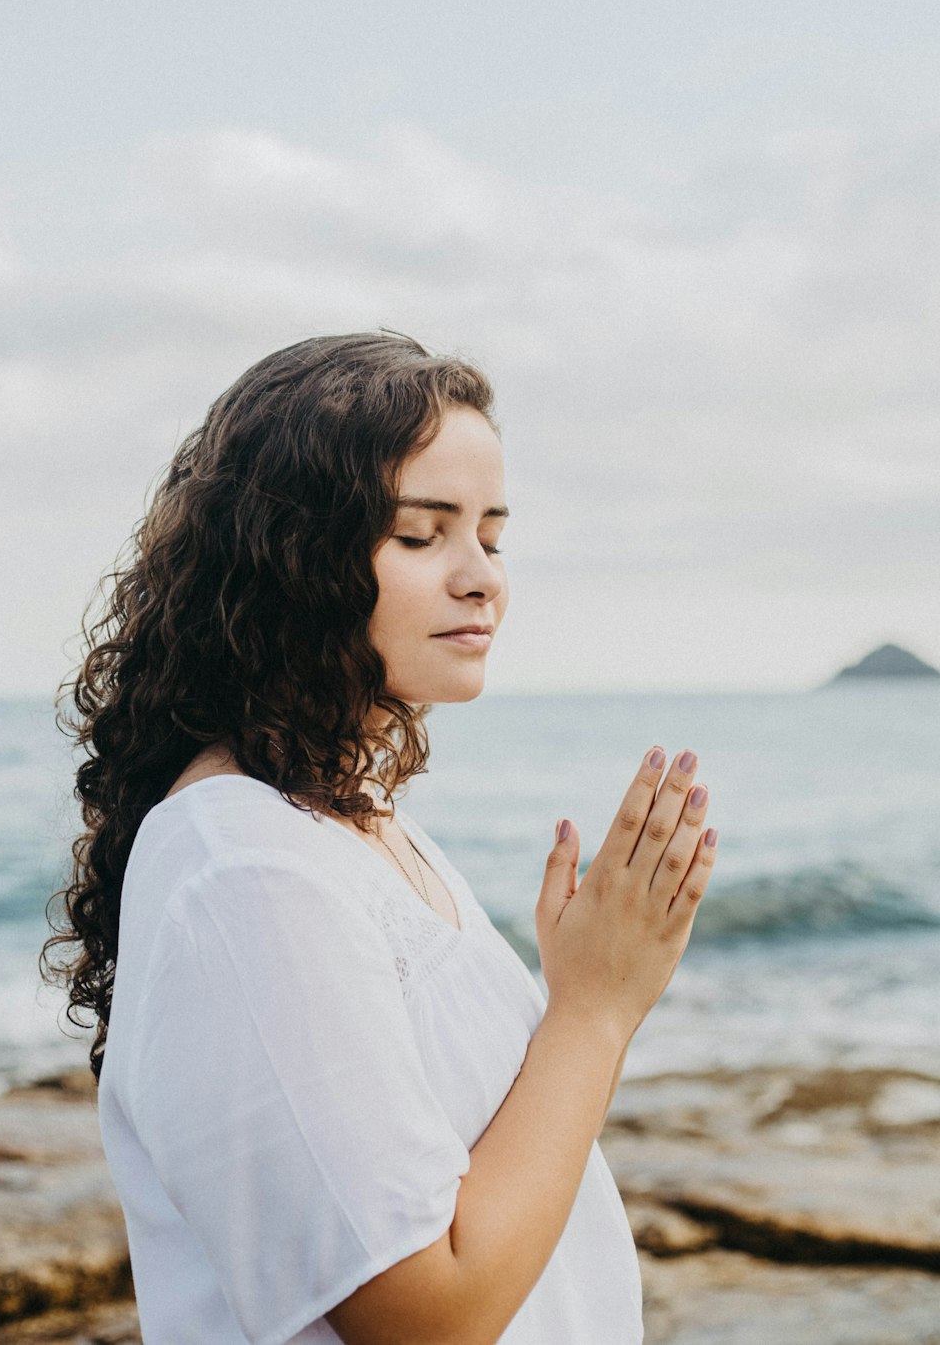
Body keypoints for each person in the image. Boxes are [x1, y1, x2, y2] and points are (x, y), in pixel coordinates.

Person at [42, 330, 717, 1344]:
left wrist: (591, 995)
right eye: (420, 534)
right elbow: (423, 1316)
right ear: (290, 555)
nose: (481, 575)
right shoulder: (246, 869)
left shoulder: (351, 824)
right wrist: (593, 1010)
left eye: (492, 532)